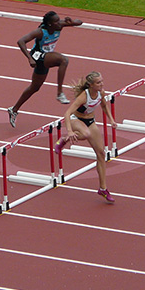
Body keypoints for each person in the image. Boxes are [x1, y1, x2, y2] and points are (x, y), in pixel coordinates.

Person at [7, 11, 82, 127]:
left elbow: (79, 22)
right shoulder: (41, 32)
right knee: (63, 60)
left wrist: (72, 22)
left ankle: (14, 109)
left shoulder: (60, 25)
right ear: (50, 24)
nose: (59, 22)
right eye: (56, 21)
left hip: (46, 57)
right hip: (37, 56)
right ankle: (59, 93)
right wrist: (29, 58)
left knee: (35, 87)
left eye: (59, 20)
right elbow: (21, 41)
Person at [53, 71, 117, 203]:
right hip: (75, 119)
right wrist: (69, 131)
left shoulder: (101, 93)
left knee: (101, 154)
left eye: (102, 81)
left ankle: (103, 189)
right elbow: (67, 113)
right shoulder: (84, 96)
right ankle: (64, 139)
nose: (102, 84)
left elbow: (104, 106)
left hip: (90, 121)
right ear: (91, 85)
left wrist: (111, 120)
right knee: (86, 134)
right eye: (99, 82)